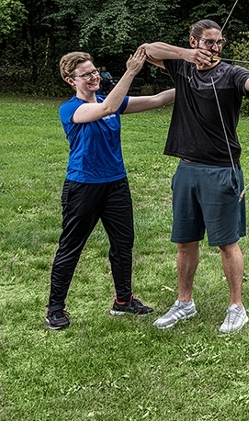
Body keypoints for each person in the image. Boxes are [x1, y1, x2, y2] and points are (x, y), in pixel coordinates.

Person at [140, 20, 249, 334]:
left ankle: (237, 307)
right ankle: (184, 302)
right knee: (184, 242)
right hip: (186, 169)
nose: (217, 48)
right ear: (193, 42)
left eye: (220, 42)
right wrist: (186, 56)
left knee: (227, 243)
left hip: (221, 170)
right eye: (210, 42)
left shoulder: (231, 74)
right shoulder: (182, 66)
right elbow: (147, 50)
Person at [46, 48, 176, 330]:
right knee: (71, 247)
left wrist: (191, 83)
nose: (93, 77)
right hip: (83, 186)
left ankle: (123, 300)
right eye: (86, 74)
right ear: (71, 81)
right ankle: (55, 308)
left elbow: (155, 99)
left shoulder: (110, 100)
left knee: (123, 244)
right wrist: (131, 71)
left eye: (94, 72)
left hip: (116, 184)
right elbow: (105, 110)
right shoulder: (71, 108)